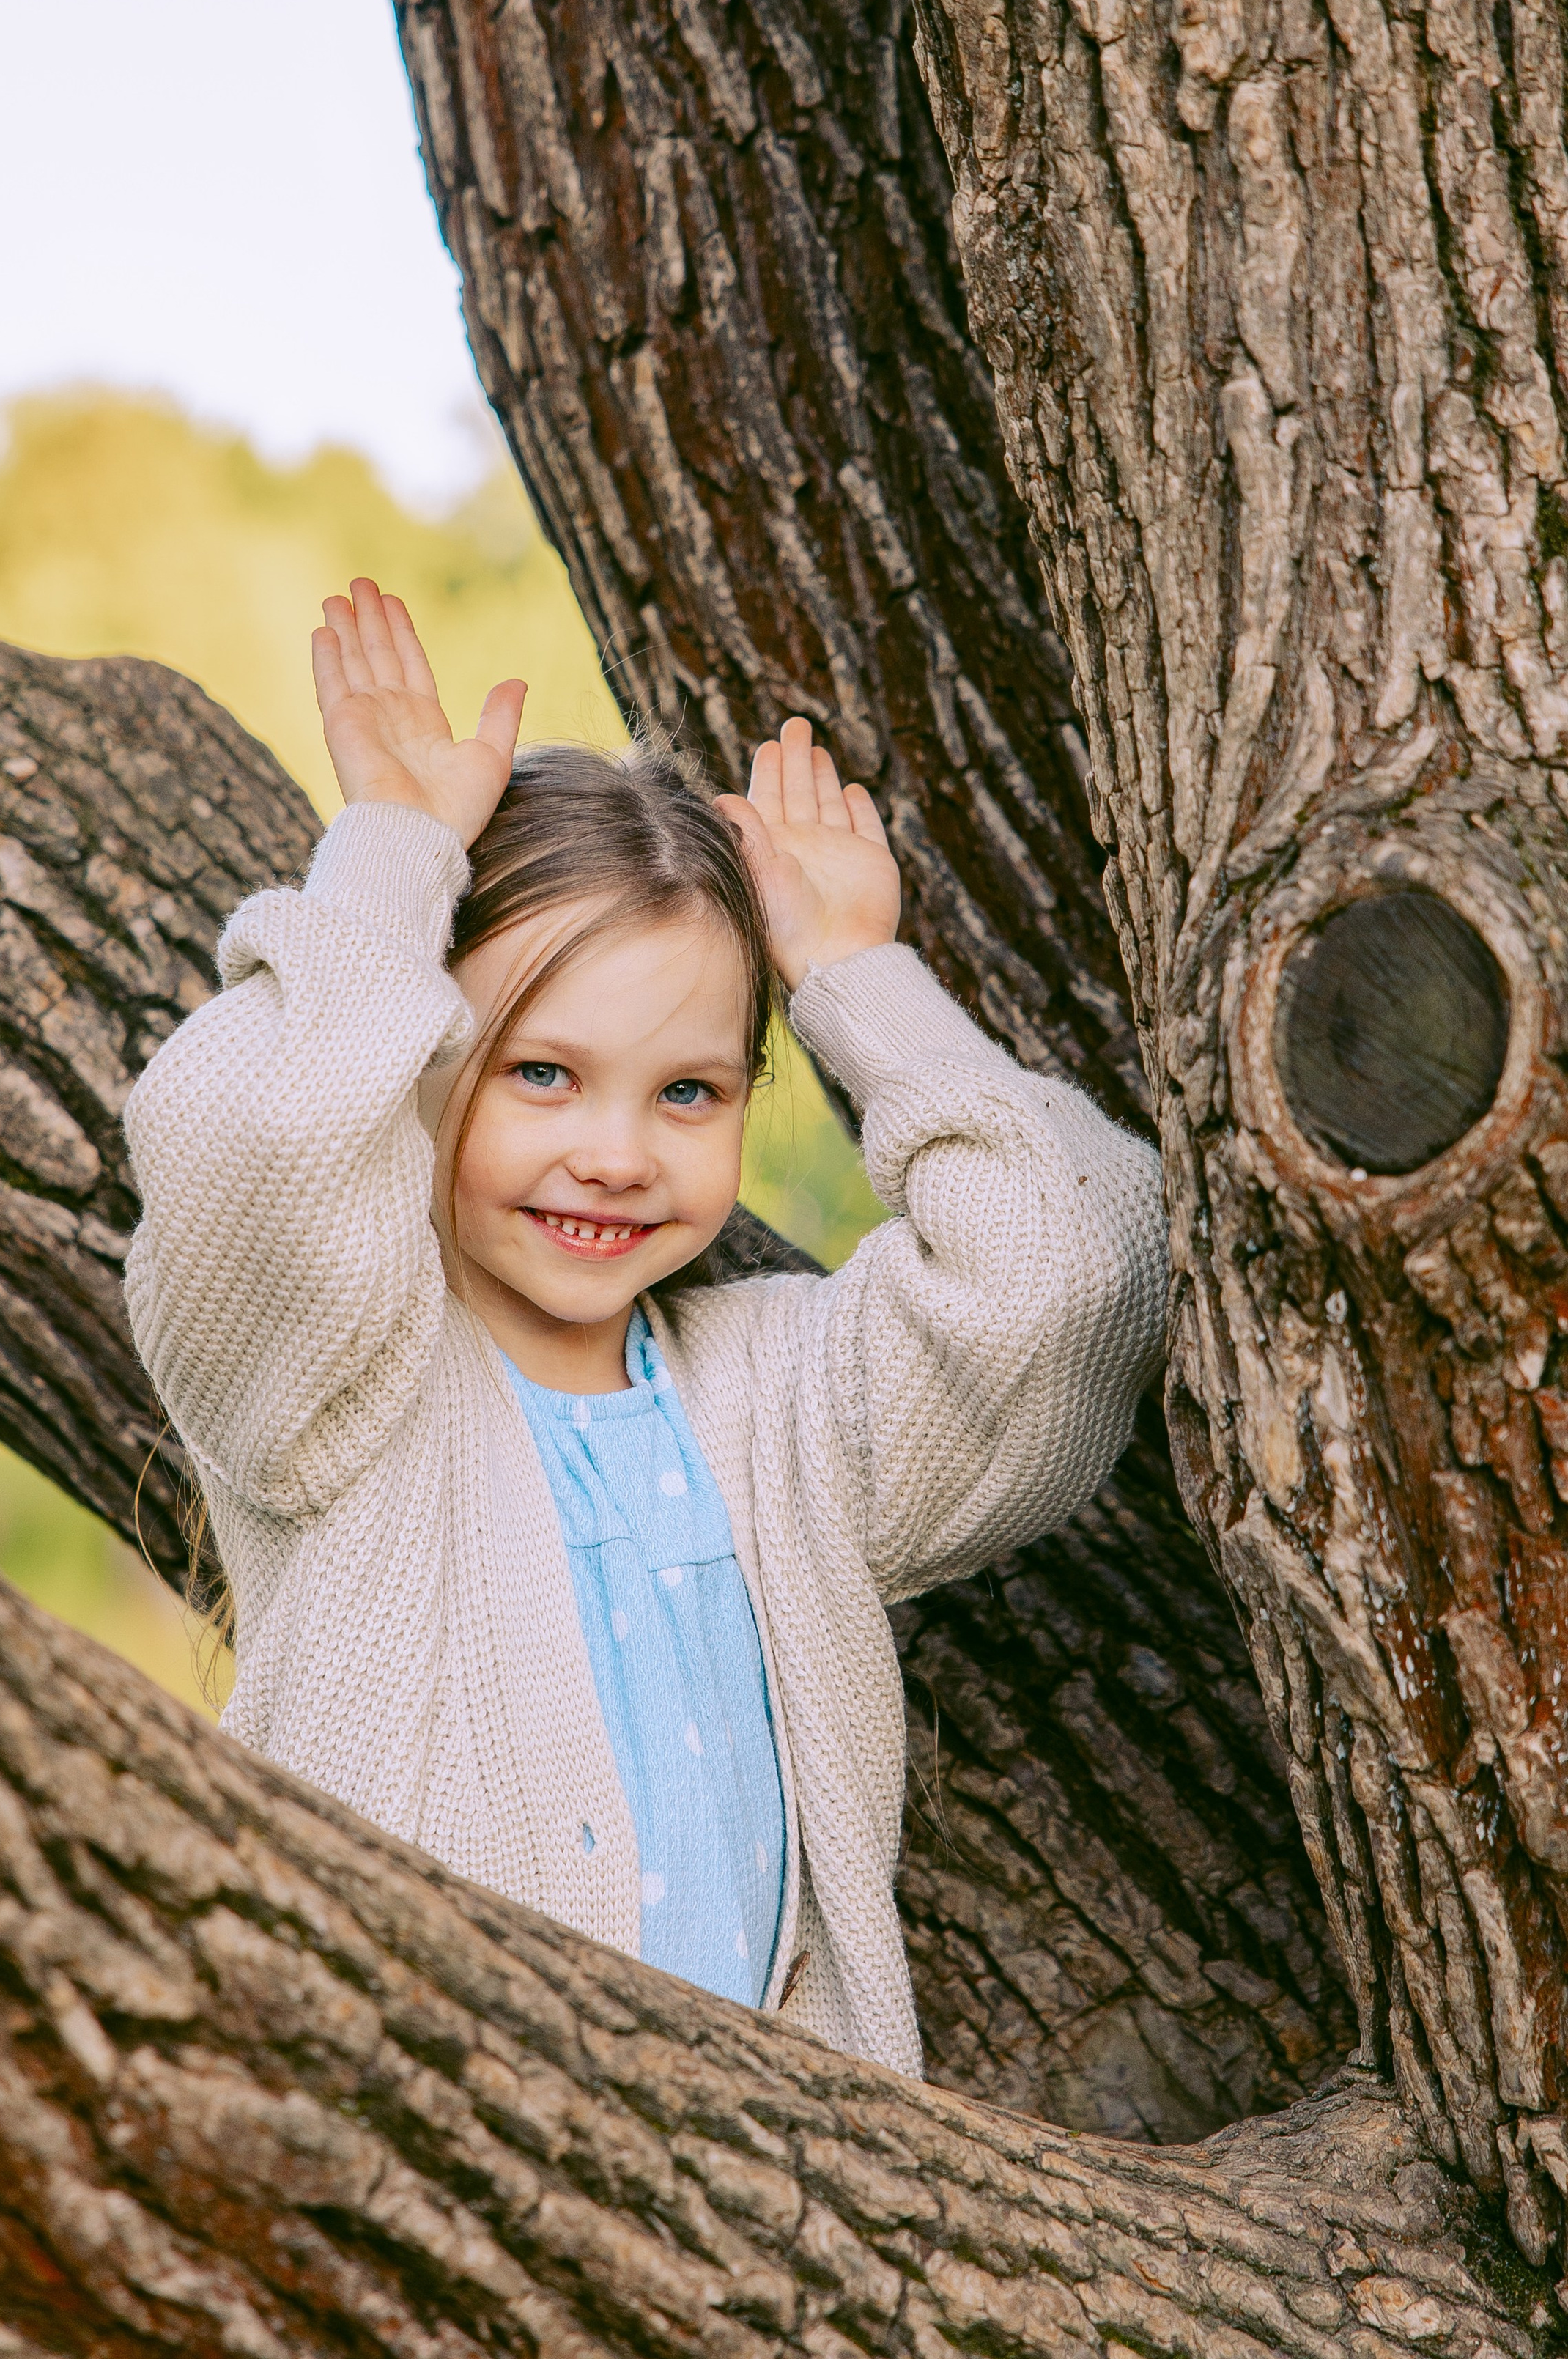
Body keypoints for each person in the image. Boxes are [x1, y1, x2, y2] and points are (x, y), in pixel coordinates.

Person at [124, 580, 1166, 2077]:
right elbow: (253, 1151)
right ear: (421, 1066)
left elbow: (1077, 1266)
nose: (616, 1152)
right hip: (398, 2145)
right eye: (540, 1073)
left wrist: (854, 979)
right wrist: (390, 865)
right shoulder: (342, 1382)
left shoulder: (777, 1402)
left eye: (686, 1092)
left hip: (755, 2203)